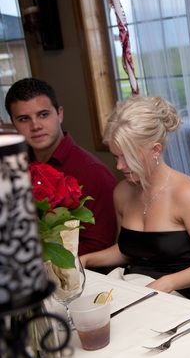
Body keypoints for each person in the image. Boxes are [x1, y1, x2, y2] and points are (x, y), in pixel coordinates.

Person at [80, 96, 190, 306]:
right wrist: (86, 260)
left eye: (126, 157)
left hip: (184, 299)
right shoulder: (122, 192)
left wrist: (167, 284)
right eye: (115, 157)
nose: (120, 166)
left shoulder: (187, 194)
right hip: (134, 289)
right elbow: (127, 250)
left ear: (155, 150)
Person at [5, 78, 116, 255]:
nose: (35, 126)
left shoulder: (92, 172)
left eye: (43, 114)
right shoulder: (13, 167)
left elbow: (99, 246)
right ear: (13, 124)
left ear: (60, 114)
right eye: (24, 119)